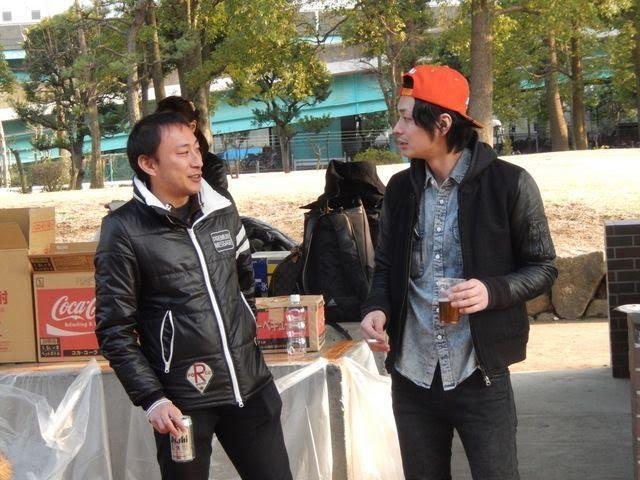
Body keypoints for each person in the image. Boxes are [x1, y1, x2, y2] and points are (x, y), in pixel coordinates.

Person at [360, 65, 557, 480]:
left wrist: (492, 290)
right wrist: (377, 308)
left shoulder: (511, 184)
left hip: (480, 375)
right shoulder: (400, 189)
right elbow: (386, 267)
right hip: (412, 377)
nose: (397, 129)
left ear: (443, 124)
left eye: (407, 118)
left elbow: (543, 267)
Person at [95, 111, 292, 480]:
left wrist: (244, 336)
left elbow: (244, 284)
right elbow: (114, 330)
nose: (198, 161)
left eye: (197, 150)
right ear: (148, 164)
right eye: (183, 152)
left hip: (249, 387)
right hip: (181, 402)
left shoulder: (222, 210)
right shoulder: (123, 230)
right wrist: (153, 398)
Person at [156, 95, 229, 191]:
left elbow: (219, 198)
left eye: (174, 125)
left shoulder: (213, 166)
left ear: (192, 126)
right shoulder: (154, 162)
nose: (167, 132)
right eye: (161, 126)